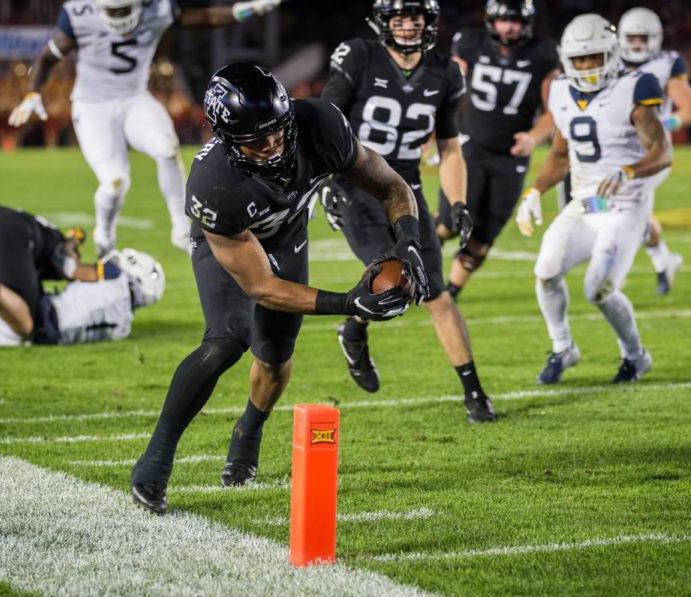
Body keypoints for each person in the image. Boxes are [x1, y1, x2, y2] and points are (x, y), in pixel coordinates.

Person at [130, 63, 422, 514]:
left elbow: (391, 185)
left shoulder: (319, 125)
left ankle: (248, 430)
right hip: (230, 243)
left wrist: (409, 245)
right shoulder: (214, 182)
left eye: (275, 131)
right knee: (226, 340)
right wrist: (348, 302)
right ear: (227, 140)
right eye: (254, 139)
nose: (270, 145)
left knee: (274, 356)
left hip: (286, 235)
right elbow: (262, 287)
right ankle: (158, 455)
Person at [320, 0, 496, 423]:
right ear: (382, 22)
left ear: (429, 22)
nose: (408, 26)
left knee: (436, 293)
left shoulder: (447, 72)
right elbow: (325, 121)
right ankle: (356, 329)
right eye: (399, 18)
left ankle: (474, 392)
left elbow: (450, 147)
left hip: (405, 189)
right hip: (357, 182)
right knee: (392, 276)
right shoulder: (360, 55)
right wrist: (325, 181)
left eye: (415, 18)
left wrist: (457, 202)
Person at [8, 0, 283, 256]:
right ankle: (104, 234)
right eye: (112, 10)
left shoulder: (157, 9)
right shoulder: (81, 14)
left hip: (134, 98)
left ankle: (179, 227)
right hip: (92, 105)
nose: (117, 16)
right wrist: (32, 94)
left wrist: (250, 8)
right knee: (115, 181)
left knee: (166, 149)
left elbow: (206, 17)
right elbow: (47, 57)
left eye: (123, 9)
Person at [515, 13, 672, 385]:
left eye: (594, 58)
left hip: (626, 204)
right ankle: (562, 347)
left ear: (612, 54)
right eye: (580, 59)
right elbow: (558, 155)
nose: (586, 67)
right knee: (546, 270)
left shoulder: (635, 86)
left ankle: (636, 357)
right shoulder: (560, 91)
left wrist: (629, 171)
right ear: (567, 60)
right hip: (585, 202)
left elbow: (662, 153)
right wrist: (535, 191)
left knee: (597, 288)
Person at [434, 0, 559, 300]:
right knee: (451, 223)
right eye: (504, 19)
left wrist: (533, 136)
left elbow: (555, 110)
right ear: (491, 20)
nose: (510, 26)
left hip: (511, 157)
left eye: (515, 20)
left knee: (484, 235)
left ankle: (449, 294)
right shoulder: (470, 43)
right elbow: (448, 88)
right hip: (471, 146)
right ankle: (413, 263)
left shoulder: (542, 53)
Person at [0, 205, 163, 345]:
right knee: (12, 326)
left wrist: (72, 243)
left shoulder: (115, 276)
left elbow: (71, 269)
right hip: (52, 322)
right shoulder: (123, 327)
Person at [618, 7, 691, 296]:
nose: (636, 44)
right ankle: (662, 258)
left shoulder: (667, 63)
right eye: (631, 38)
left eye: (643, 38)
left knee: (623, 206)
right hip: (615, 149)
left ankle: (615, 276)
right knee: (634, 213)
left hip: (653, 152)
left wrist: (662, 124)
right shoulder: (608, 59)